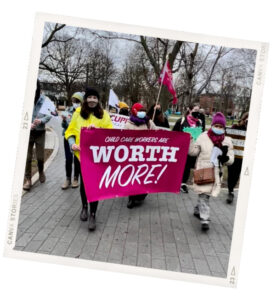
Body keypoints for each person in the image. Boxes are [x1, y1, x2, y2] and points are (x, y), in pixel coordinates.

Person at [65, 87, 113, 231]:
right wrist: (72, 144)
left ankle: (93, 214)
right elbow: (70, 131)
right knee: (83, 185)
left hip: (97, 157)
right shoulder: (78, 113)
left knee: (94, 185)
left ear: (98, 100)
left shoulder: (103, 115)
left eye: (95, 97)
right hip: (81, 156)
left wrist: (97, 131)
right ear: (85, 99)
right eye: (89, 97)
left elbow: (109, 133)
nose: (92, 100)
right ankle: (84, 207)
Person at [189, 112, 234, 231]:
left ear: (224, 128)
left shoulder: (227, 141)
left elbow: (231, 159)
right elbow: (193, 152)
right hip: (203, 170)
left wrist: (226, 158)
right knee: (204, 194)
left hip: (216, 173)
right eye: (216, 126)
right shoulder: (203, 136)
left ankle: (198, 209)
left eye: (221, 127)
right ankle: (205, 218)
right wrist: (190, 140)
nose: (218, 128)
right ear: (212, 125)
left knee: (205, 195)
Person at [124, 102, 157, 209]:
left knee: (143, 176)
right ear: (134, 111)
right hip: (132, 155)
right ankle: (131, 198)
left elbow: (158, 133)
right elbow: (123, 139)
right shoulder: (128, 124)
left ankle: (141, 195)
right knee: (132, 176)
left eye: (144, 110)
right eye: (140, 110)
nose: (142, 112)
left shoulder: (148, 122)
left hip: (145, 155)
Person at [23, 80, 52, 191]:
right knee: (28, 158)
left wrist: (41, 120)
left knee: (40, 157)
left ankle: (41, 171)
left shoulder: (45, 100)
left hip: (40, 133)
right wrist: (26, 124)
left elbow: (49, 115)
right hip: (28, 133)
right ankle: (28, 180)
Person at [172, 103, 202, 193]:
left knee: (188, 167)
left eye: (198, 111)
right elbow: (174, 133)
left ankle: (183, 183)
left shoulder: (199, 122)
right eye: (195, 110)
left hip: (192, 149)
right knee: (179, 165)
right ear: (190, 110)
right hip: (181, 148)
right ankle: (174, 182)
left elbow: (200, 135)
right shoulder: (181, 121)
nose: (197, 113)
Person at [61, 92, 84, 190]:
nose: (75, 102)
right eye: (74, 100)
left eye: (77, 101)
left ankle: (75, 178)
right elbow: (64, 127)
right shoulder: (68, 110)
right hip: (68, 137)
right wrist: (64, 121)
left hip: (78, 138)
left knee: (77, 159)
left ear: (81, 101)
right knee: (68, 159)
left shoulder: (83, 112)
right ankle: (68, 179)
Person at [226, 112, 248, 204]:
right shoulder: (236, 127)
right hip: (233, 154)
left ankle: (231, 189)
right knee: (231, 172)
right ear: (244, 118)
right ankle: (230, 190)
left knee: (237, 174)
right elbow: (229, 136)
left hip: (242, 156)